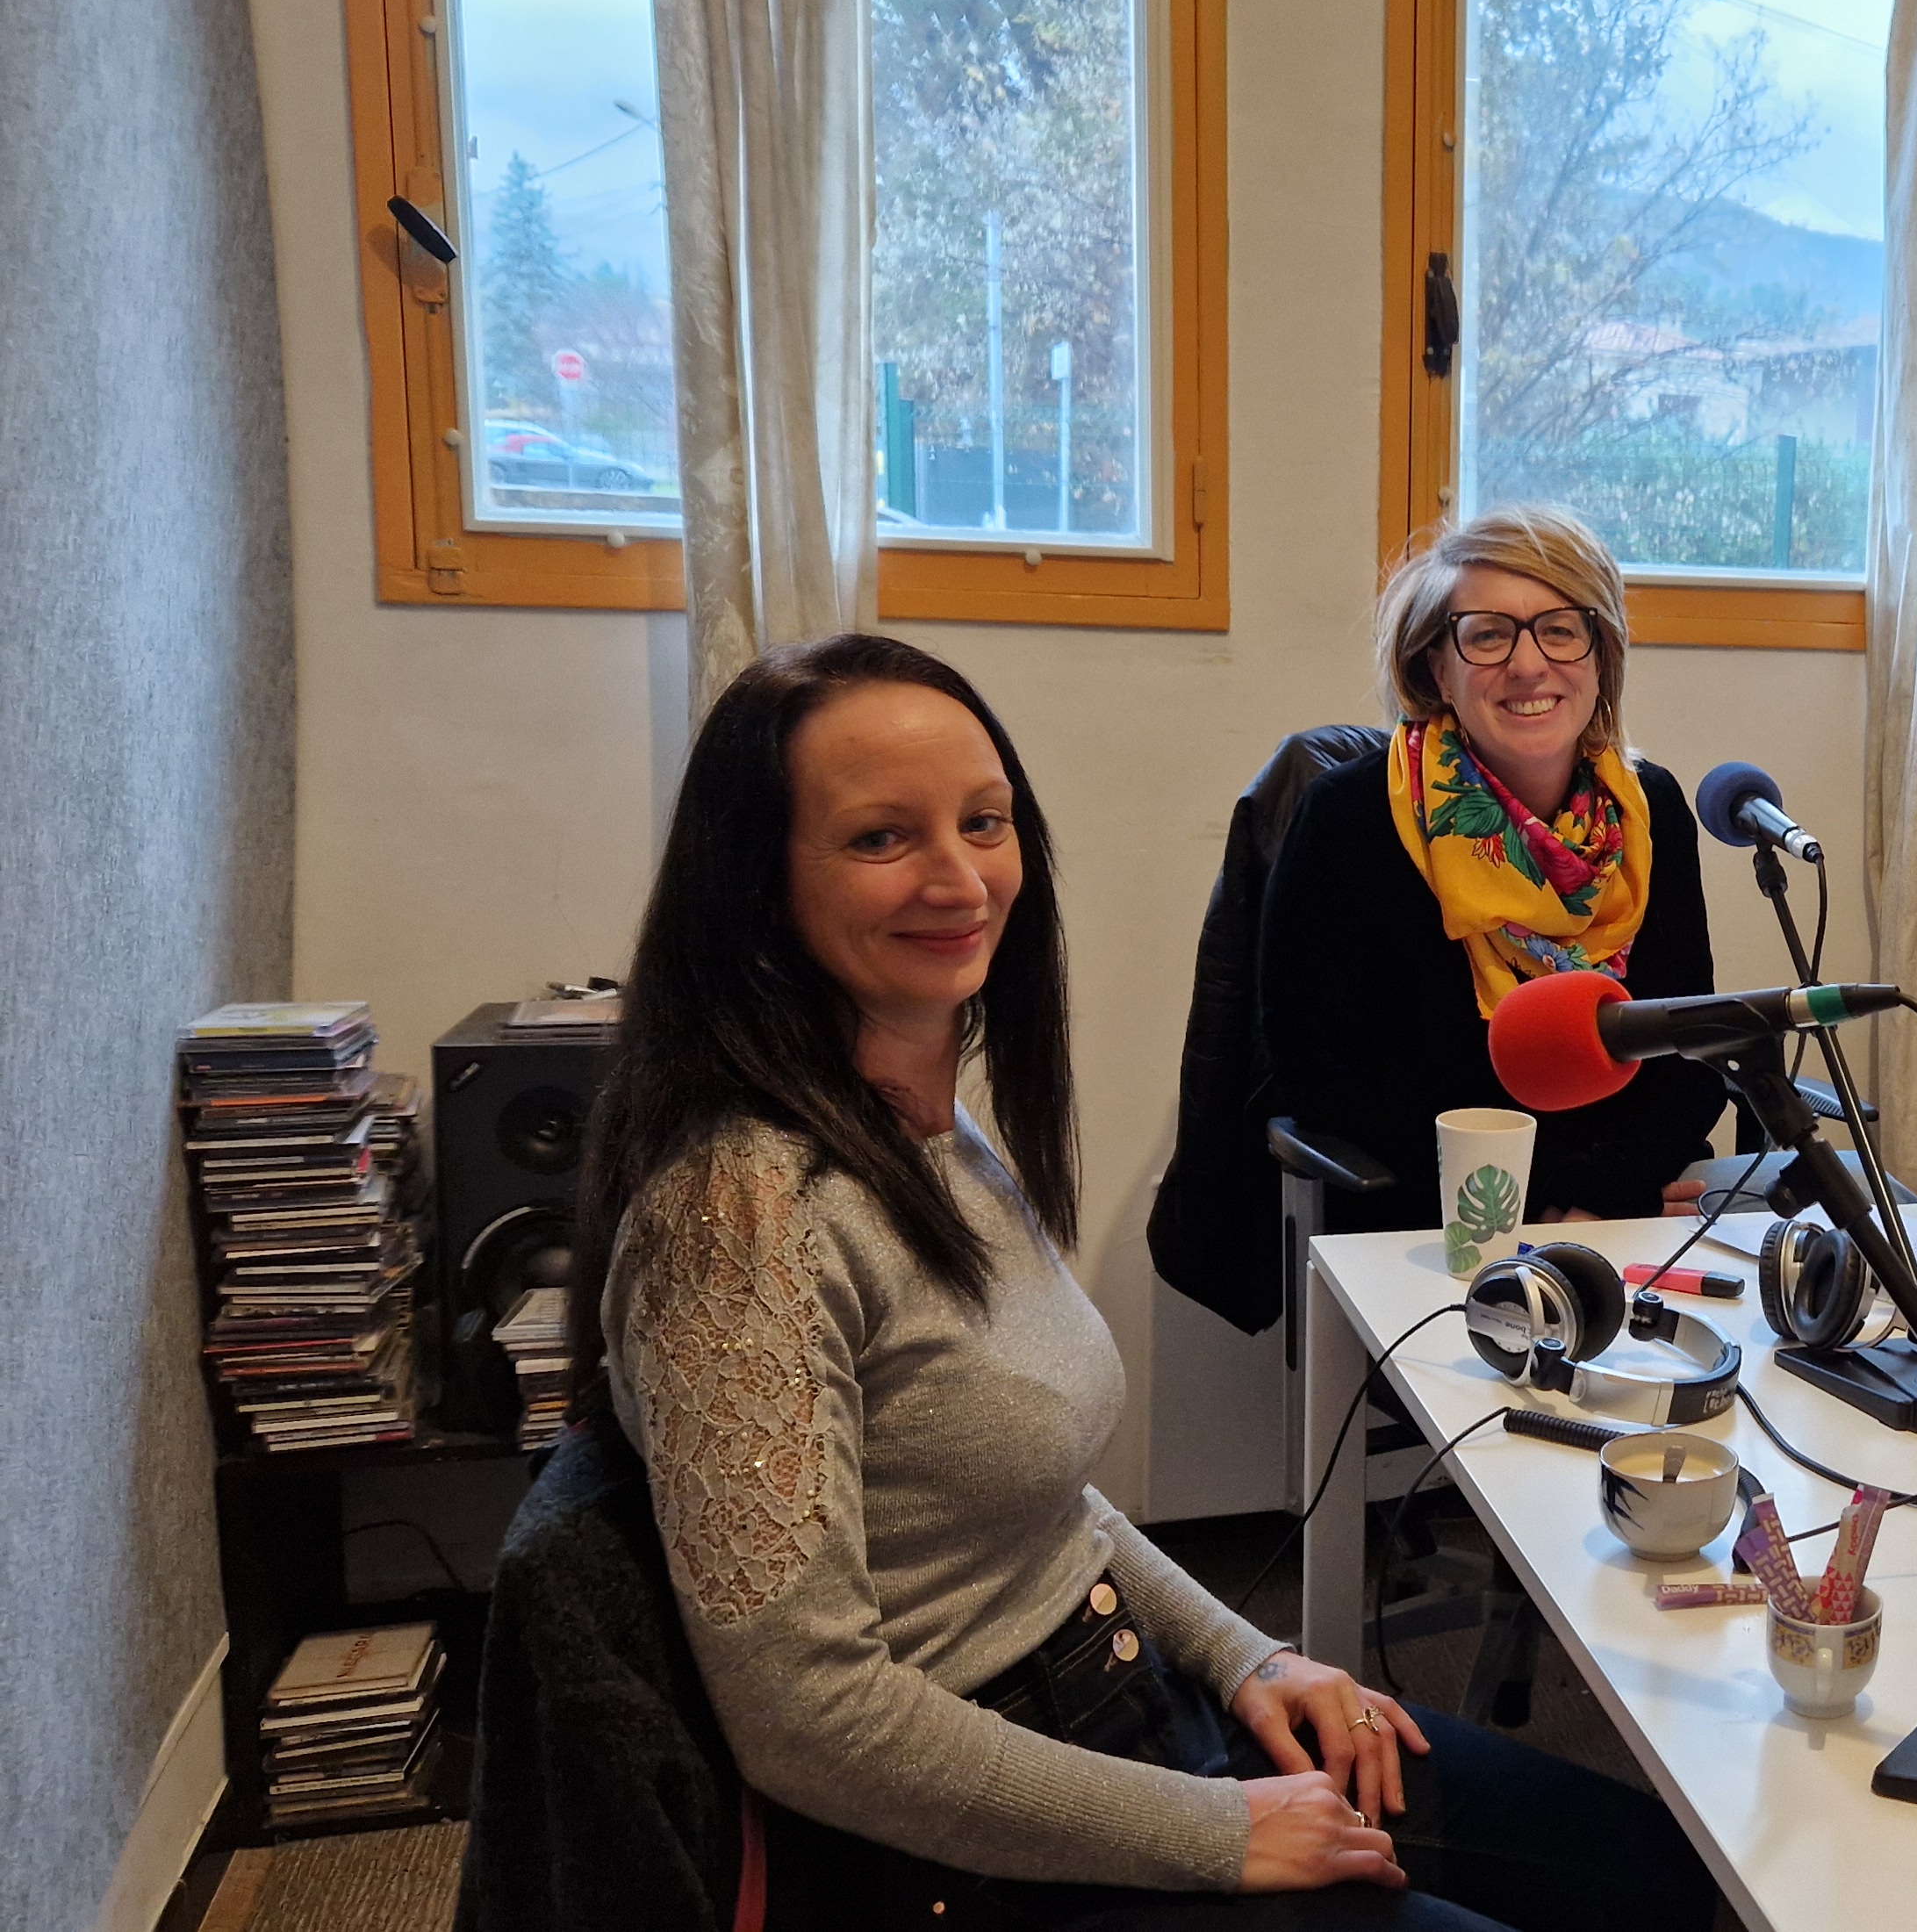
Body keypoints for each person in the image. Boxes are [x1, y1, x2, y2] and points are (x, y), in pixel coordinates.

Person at [571, 634, 1718, 1931]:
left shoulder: (931, 1124)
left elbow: (1044, 1507)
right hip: (969, 1846)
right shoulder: (739, 1219)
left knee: (1659, 1875)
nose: (960, 878)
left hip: (1127, 1702)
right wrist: (1219, 1828)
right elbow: (809, 1720)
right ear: (756, 883)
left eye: (985, 822)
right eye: (881, 838)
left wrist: (1251, 1657)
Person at [1258, 506, 1727, 1231]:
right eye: (1488, 636)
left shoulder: (1651, 809)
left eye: (1560, 629)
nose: (1529, 664)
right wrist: (1546, 1195)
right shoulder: (1348, 819)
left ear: (1602, 656)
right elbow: (1327, 1079)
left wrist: (1605, 1193)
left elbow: (1688, 1049)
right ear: (1437, 669)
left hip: (1624, 1204)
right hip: (1434, 1215)